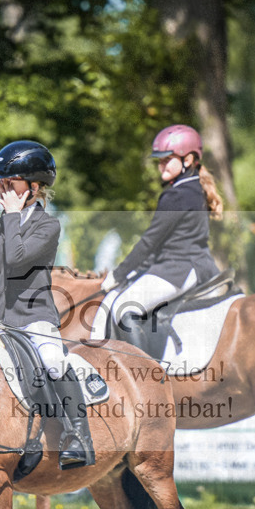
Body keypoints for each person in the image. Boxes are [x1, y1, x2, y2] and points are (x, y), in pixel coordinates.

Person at [0, 140, 94, 469]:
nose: (2, 186)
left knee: (52, 361)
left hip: (36, 317)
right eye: (0, 181)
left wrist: (11, 216)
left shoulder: (48, 226)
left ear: (34, 187)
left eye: (10, 181)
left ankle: (79, 435)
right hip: (1, 318)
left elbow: (17, 259)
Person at [96, 124, 223, 346]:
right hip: (199, 267)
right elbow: (171, 240)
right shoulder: (194, 188)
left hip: (177, 270)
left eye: (167, 159)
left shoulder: (176, 195)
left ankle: (143, 375)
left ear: (188, 159)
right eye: (160, 160)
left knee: (123, 307)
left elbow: (150, 242)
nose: (161, 165)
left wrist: (118, 274)